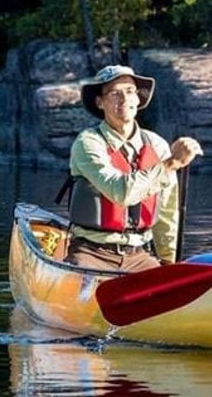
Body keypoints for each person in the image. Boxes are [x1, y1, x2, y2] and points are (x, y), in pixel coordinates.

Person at [63, 64, 203, 272]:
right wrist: (172, 163)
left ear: (138, 99)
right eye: (114, 93)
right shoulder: (87, 143)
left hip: (138, 255)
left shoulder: (157, 145)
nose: (124, 99)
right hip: (91, 253)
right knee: (82, 288)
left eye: (130, 92)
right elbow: (121, 192)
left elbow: (166, 209)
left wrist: (168, 262)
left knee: (165, 292)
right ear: (100, 102)